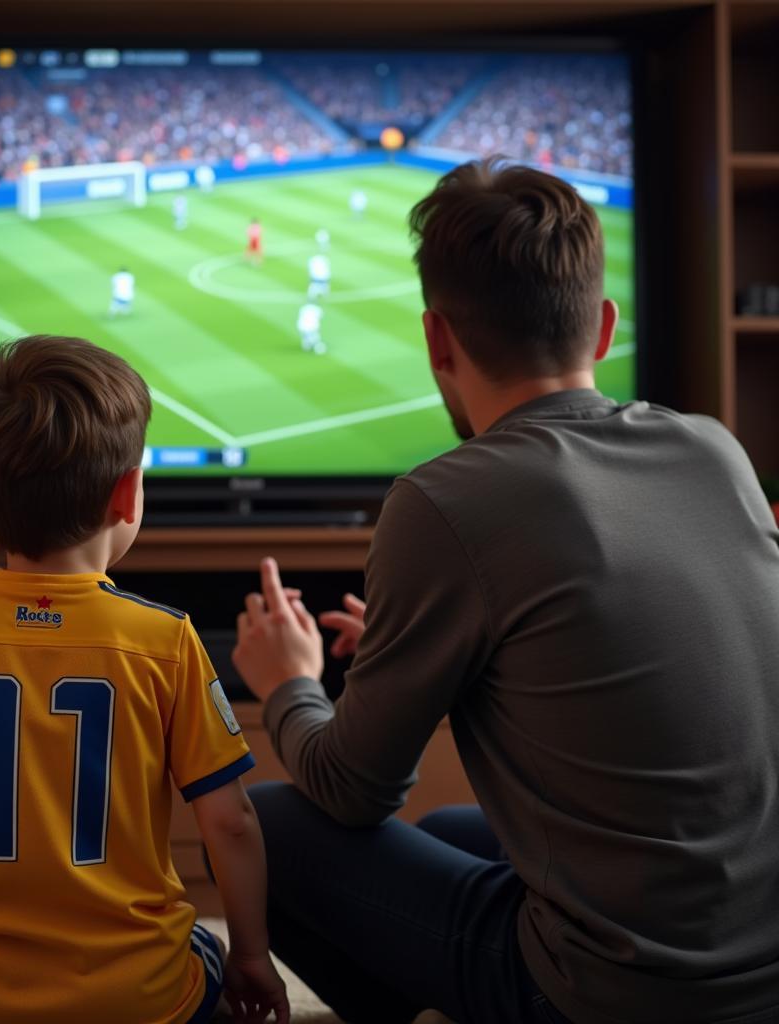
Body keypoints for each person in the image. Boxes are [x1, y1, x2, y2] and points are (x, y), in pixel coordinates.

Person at [231, 159, 779, 1024]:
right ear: (603, 328)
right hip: (758, 965)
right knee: (452, 832)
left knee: (264, 821)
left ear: (437, 341)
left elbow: (351, 791)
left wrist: (289, 681)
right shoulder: (716, 450)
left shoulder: (444, 501)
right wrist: (429, 648)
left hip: (622, 993)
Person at [0, 335, 289, 1024]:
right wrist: (254, 957)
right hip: (140, 998)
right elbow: (230, 822)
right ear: (129, 492)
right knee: (198, 949)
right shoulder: (166, 639)